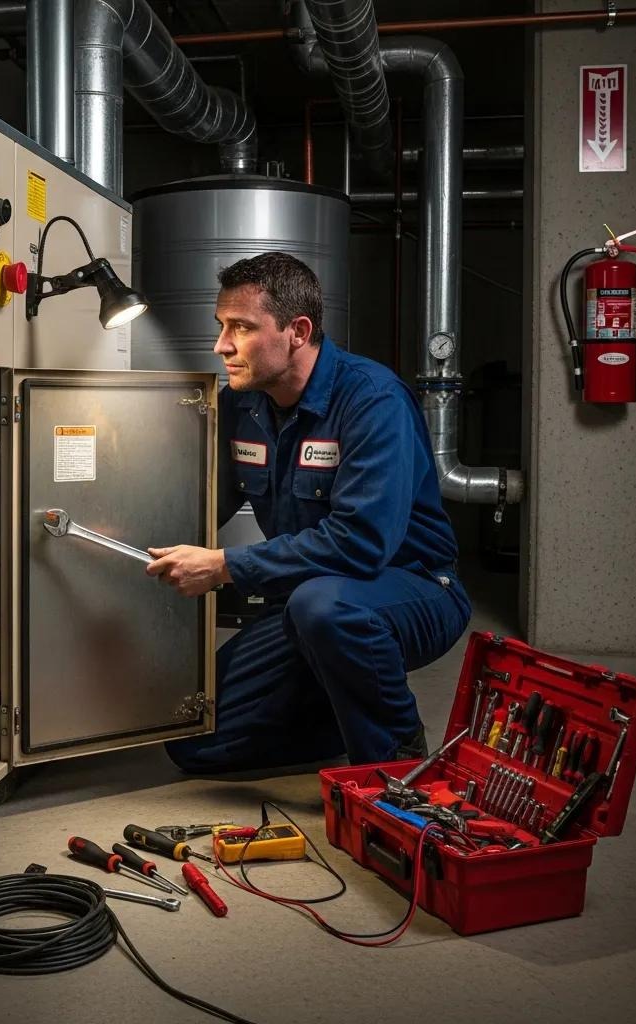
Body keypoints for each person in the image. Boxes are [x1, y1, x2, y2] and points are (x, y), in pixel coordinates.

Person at [146, 251, 471, 773]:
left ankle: (397, 765)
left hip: (414, 590)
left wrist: (225, 567)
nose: (221, 345)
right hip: (305, 605)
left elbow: (360, 544)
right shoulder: (243, 405)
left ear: (297, 330)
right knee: (194, 741)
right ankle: (342, 709)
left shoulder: (372, 401)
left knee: (326, 607)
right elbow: (205, 504)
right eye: (220, 325)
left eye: (241, 328)